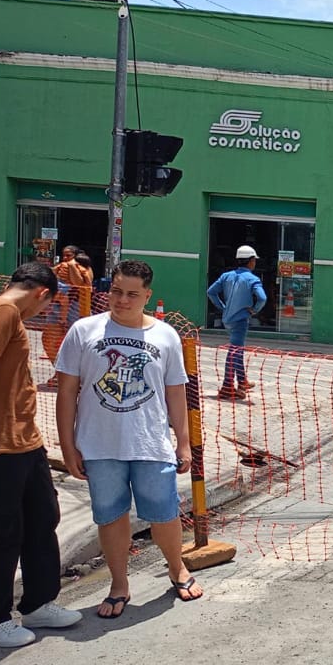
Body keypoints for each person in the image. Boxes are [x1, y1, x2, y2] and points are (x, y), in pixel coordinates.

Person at [55, 259, 201, 619]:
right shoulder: (83, 331)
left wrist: (183, 442)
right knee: (110, 515)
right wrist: (66, 445)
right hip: (98, 445)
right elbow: (66, 392)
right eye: (116, 292)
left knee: (163, 513)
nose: (122, 300)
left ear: (147, 296)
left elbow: (176, 394)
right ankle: (119, 584)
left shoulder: (165, 336)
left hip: (150, 443)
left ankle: (177, 568)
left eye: (132, 294)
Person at [0, 262, 83, 647]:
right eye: (46, 306)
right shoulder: (2, 312)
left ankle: (38, 603)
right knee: (0, 532)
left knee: (41, 519)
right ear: (41, 293)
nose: (42, 314)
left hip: (25, 442)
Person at [207, 245, 267, 401]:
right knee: (234, 351)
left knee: (237, 350)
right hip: (240, 320)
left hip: (227, 319)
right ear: (251, 261)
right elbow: (262, 298)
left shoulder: (226, 276)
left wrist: (222, 307)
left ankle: (242, 381)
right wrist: (254, 310)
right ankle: (227, 386)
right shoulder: (253, 279)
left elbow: (211, 292)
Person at [41, 246, 95, 388]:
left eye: (69, 255)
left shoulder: (84, 268)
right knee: (48, 339)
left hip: (77, 307)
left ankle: (77, 378)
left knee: (76, 343)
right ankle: (60, 373)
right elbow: (51, 276)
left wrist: (72, 267)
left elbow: (80, 284)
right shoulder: (61, 267)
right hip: (58, 303)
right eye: (64, 255)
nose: (65, 258)